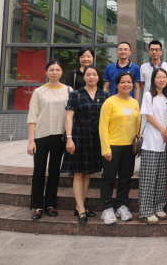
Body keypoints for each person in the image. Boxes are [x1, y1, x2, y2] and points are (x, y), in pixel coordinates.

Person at [27, 60, 73, 220]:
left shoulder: (68, 90)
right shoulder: (38, 92)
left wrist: (70, 137)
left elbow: (71, 115)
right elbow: (32, 117)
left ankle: (50, 205)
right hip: (41, 136)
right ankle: (37, 206)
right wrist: (31, 141)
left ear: (61, 72)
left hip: (59, 136)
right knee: (38, 172)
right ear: (46, 72)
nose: (55, 72)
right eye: (51, 70)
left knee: (54, 171)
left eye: (58, 70)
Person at [61, 65, 108, 224]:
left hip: (95, 136)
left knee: (87, 173)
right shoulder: (76, 94)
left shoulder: (104, 95)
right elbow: (69, 117)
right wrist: (69, 138)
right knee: (78, 173)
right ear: (84, 77)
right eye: (88, 74)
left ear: (99, 77)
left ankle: (79, 205)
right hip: (79, 134)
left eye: (94, 74)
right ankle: (81, 209)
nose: (91, 77)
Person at [99, 72, 141, 225]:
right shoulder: (109, 102)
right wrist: (106, 149)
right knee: (108, 178)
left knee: (125, 178)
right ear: (116, 85)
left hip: (129, 147)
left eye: (129, 82)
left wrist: (137, 143)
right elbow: (102, 126)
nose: (126, 85)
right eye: (123, 82)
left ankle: (122, 205)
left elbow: (137, 124)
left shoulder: (134, 102)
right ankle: (106, 208)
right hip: (112, 146)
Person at [138, 68, 167, 224]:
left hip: (163, 143)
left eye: (164, 77)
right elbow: (149, 116)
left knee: (160, 178)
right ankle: (145, 211)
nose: (162, 80)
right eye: (158, 77)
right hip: (151, 142)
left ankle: (159, 207)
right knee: (148, 178)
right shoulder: (148, 95)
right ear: (153, 79)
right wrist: (163, 130)